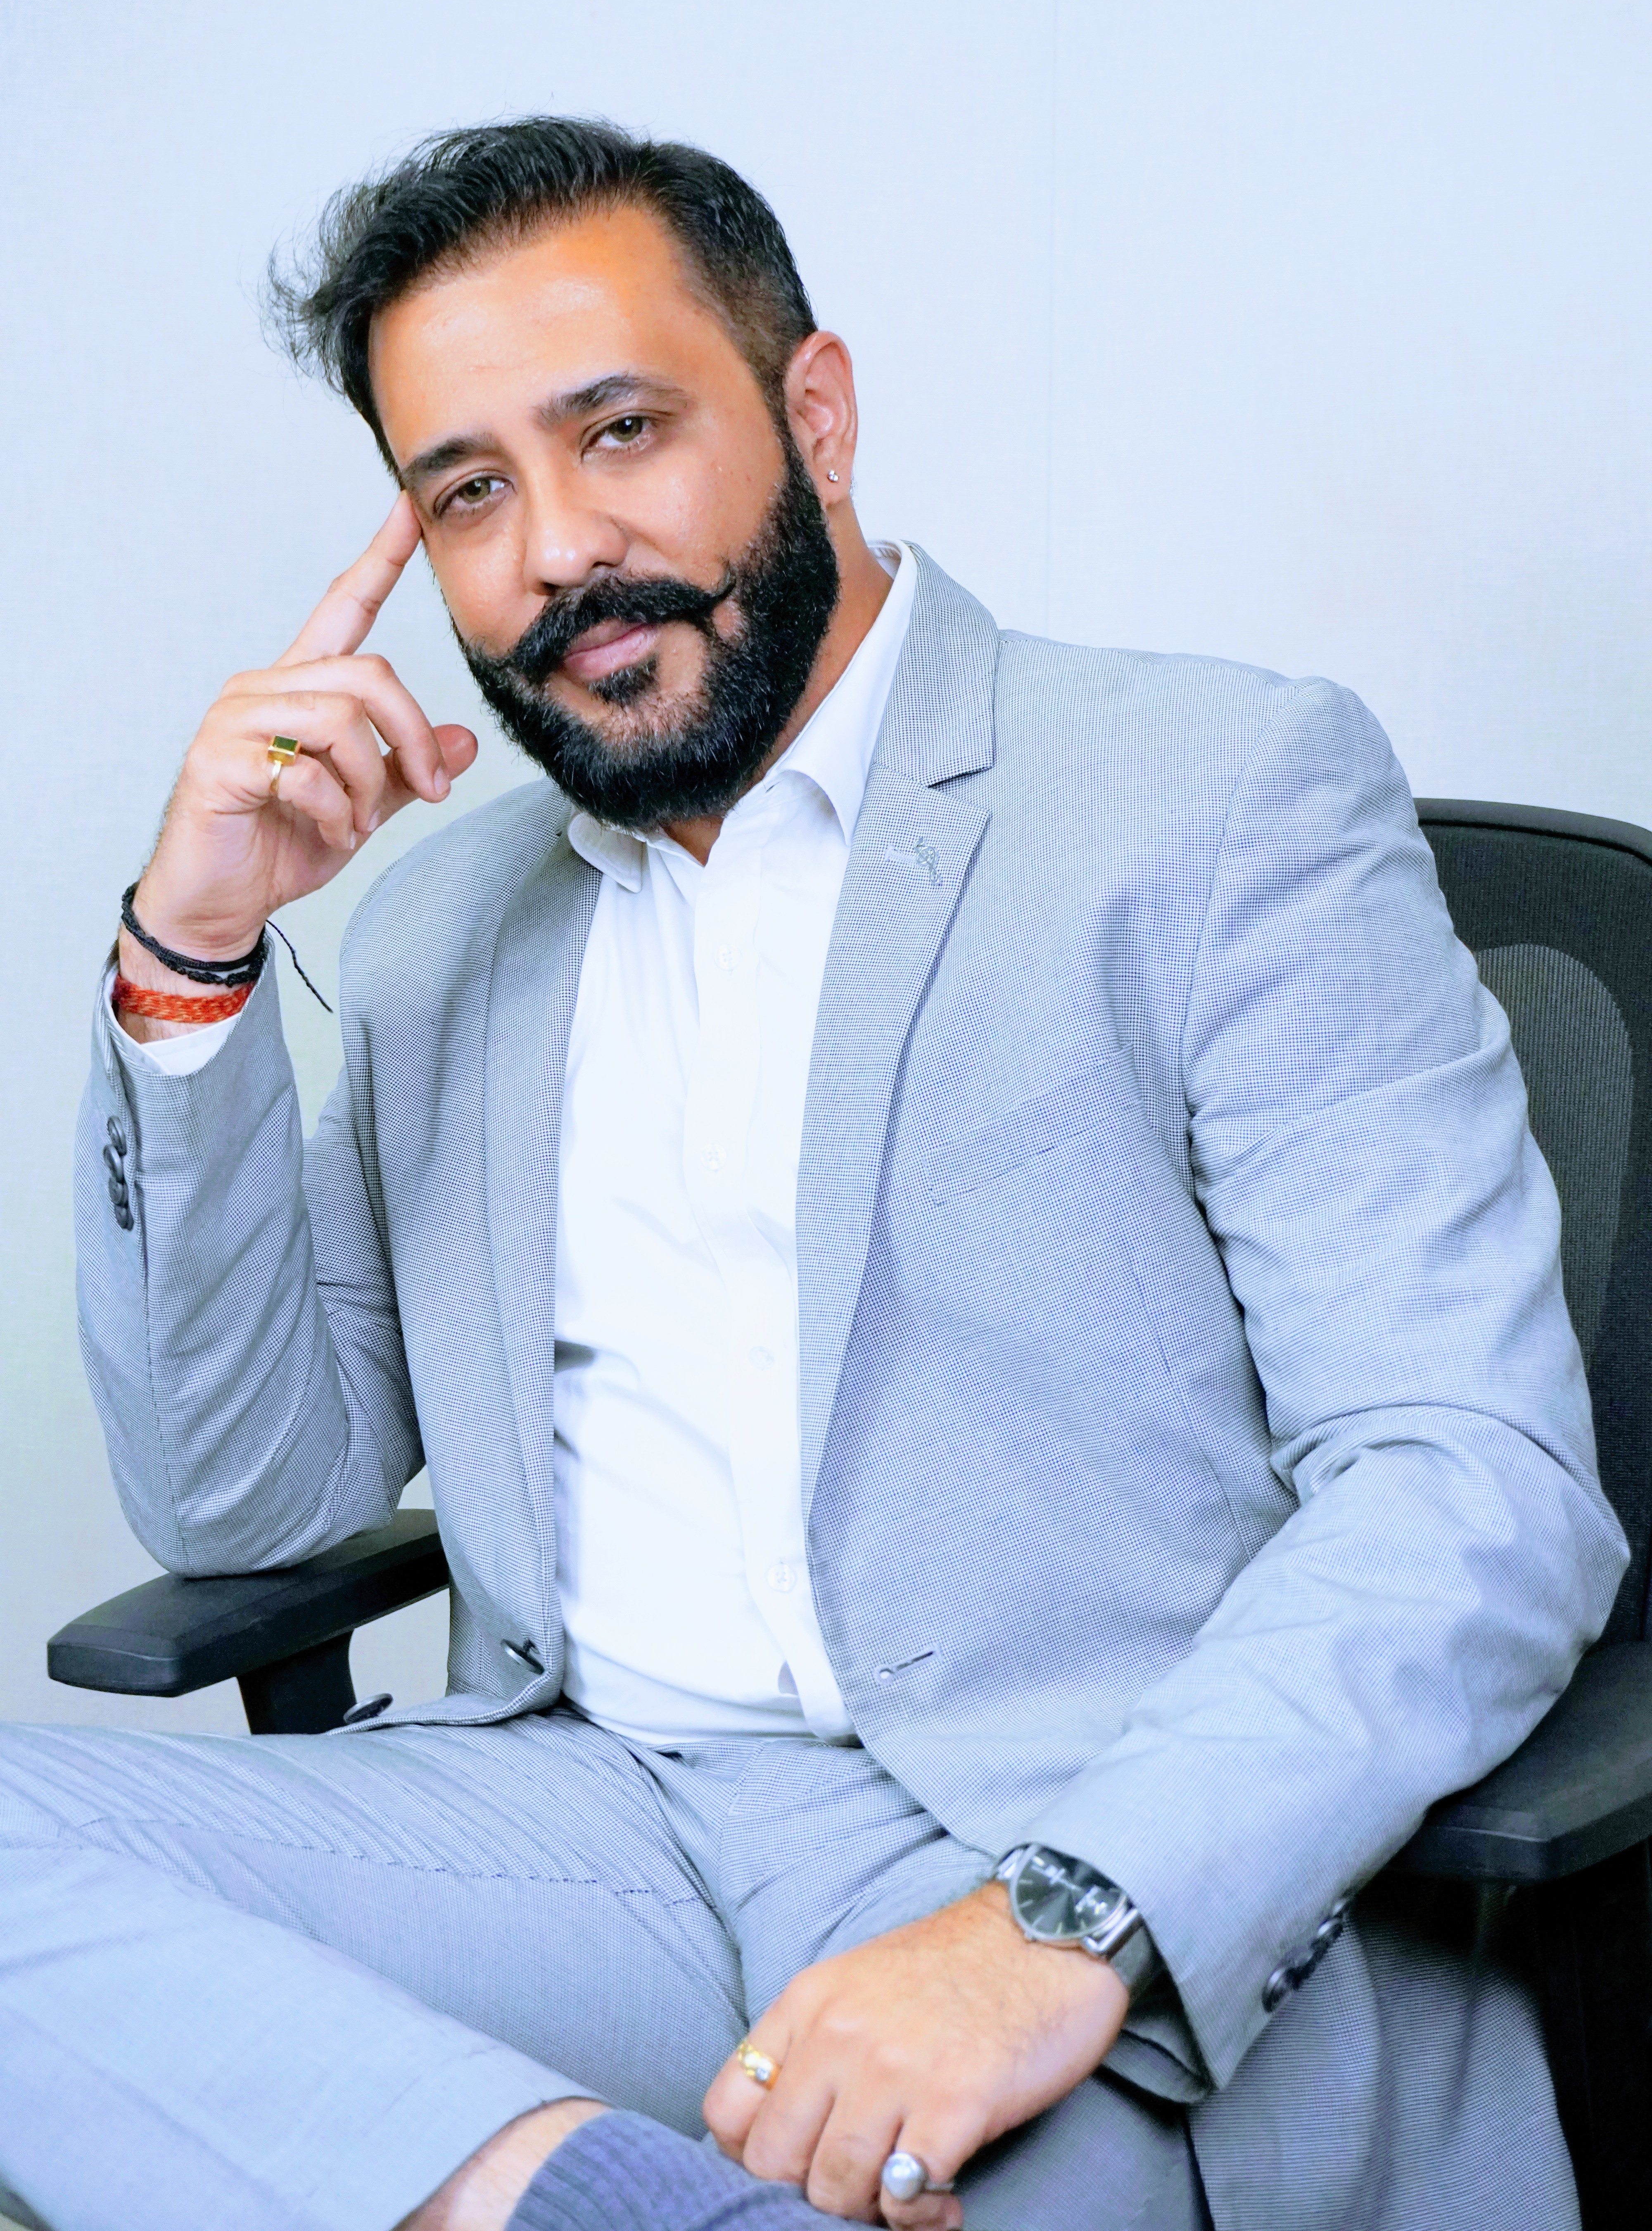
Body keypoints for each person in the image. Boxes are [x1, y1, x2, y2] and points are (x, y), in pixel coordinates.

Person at [0, 118, 1627, 2231]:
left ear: (817, 416)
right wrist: (194, 952)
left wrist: (1054, 1923)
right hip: (589, 1824)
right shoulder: (437, 933)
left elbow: (1468, 1481)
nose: (558, 546)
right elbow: (243, 1503)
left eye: (620, 430)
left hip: (1060, 1836)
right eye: (467, 490)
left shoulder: (1211, 796)